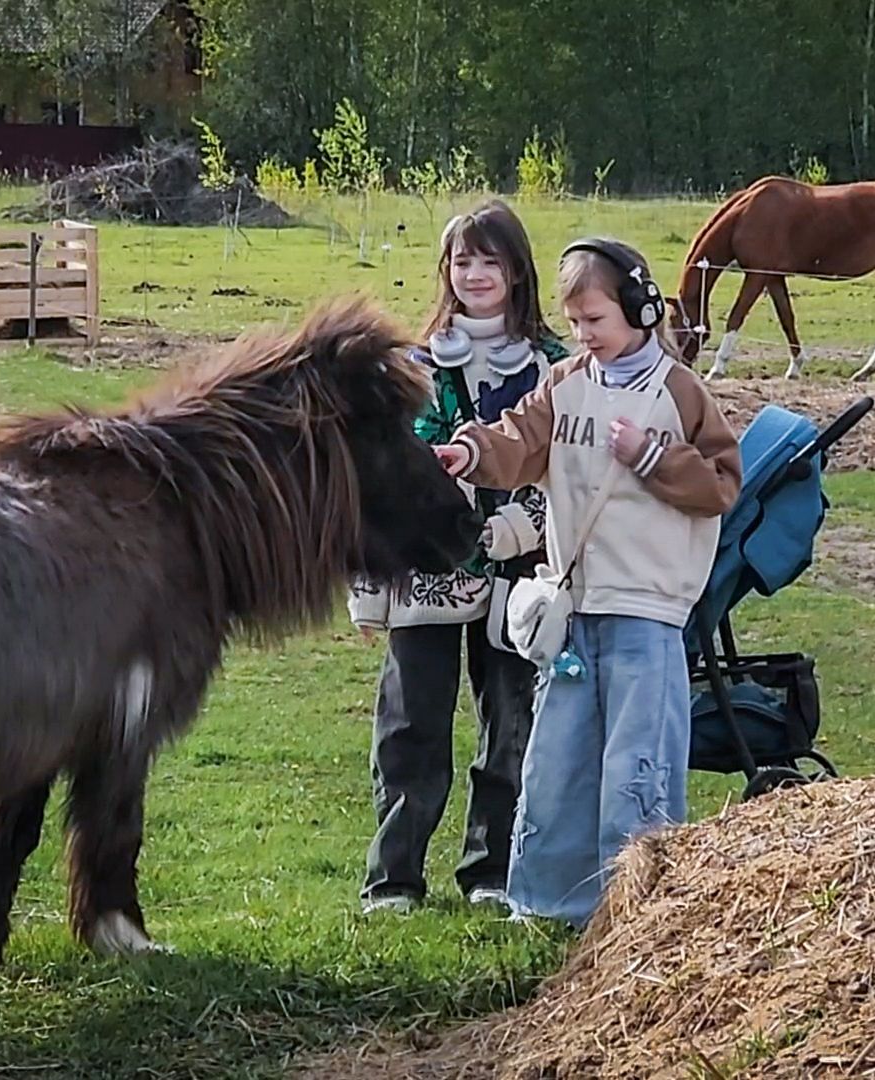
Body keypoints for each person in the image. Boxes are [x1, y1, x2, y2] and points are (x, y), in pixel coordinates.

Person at [436, 237, 741, 927]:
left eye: (596, 321)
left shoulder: (679, 391)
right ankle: (547, 904)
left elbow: (720, 484)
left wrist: (652, 455)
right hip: (576, 605)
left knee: (638, 765)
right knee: (560, 762)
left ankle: (639, 910)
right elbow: (520, 439)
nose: (584, 336)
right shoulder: (566, 381)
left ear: (640, 309)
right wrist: (472, 450)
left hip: (647, 611)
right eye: (575, 324)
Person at [348, 200, 568, 915]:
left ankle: (490, 870)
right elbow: (375, 480)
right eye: (461, 260)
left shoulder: (555, 367)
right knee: (412, 725)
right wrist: (367, 586)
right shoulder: (408, 367)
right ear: (446, 271)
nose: (474, 274)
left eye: (489, 260)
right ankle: (394, 877)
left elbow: (568, 471)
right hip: (422, 575)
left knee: (510, 722)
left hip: (520, 574)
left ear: (516, 271)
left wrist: (515, 526)